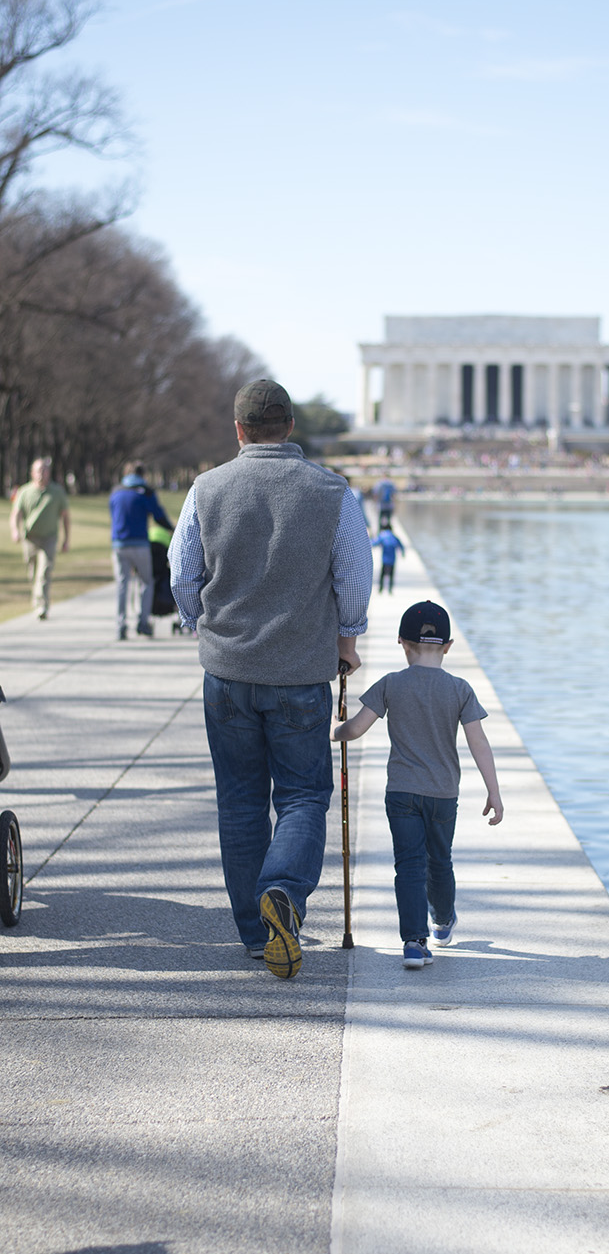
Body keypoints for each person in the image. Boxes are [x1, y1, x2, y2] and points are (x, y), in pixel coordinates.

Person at [169, 378, 372, 978]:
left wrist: (198, 624)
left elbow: (184, 572)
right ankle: (282, 891)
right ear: (290, 427)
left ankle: (257, 936)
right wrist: (349, 638)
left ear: (239, 430)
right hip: (301, 671)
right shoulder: (333, 492)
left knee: (239, 802)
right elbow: (354, 577)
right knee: (305, 794)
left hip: (227, 669)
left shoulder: (206, 489)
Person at [334, 599, 503, 969]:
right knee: (439, 861)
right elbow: (479, 742)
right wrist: (494, 791)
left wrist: (336, 732)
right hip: (443, 795)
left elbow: (357, 728)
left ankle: (413, 942)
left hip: (402, 793)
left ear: (401, 642)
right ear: (448, 647)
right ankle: (442, 921)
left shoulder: (391, 684)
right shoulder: (460, 689)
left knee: (408, 865)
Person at [109, 463, 173, 640]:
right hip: (139, 544)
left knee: (122, 584)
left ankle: (120, 625)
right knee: (146, 582)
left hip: (118, 544)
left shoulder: (116, 491)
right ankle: (142, 623)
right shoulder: (145, 492)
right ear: (142, 474)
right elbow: (158, 516)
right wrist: (172, 528)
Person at [9, 458, 71, 621]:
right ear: (32, 473)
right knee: (33, 574)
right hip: (30, 539)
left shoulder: (57, 492)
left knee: (44, 572)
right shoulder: (24, 491)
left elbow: (65, 517)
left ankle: (41, 605)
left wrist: (66, 539)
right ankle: (38, 598)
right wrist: (15, 530)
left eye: (44, 470)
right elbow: (16, 514)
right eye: (38, 470)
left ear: (49, 473)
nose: (42, 474)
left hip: (49, 538)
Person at [372, 525, 405, 593]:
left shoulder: (382, 536)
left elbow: (374, 543)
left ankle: (380, 589)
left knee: (382, 574)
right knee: (391, 575)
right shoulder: (394, 537)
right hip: (392, 560)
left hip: (385, 559)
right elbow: (401, 546)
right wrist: (402, 553)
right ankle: (390, 589)